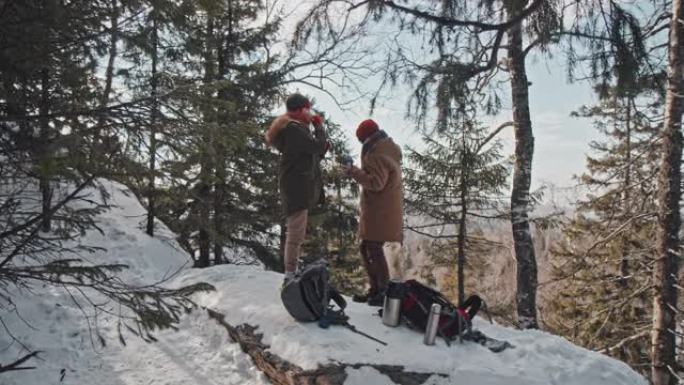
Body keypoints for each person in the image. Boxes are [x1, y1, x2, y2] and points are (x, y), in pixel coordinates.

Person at [265, 94, 327, 281]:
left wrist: (319, 149)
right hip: (297, 188)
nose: (310, 113)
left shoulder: (293, 129)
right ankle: (290, 274)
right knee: (295, 234)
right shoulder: (294, 129)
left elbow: (306, 155)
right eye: (308, 109)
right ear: (301, 110)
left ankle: (291, 271)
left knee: (296, 231)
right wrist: (319, 127)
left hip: (296, 184)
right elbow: (316, 147)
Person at [343, 119, 403, 306]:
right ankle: (376, 289)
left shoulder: (377, 153)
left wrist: (352, 171)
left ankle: (382, 291)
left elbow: (376, 183)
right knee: (368, 247)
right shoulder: (386, 149)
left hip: (380, 210)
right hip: (384, 208)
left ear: (366, 139)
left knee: (372, 248)